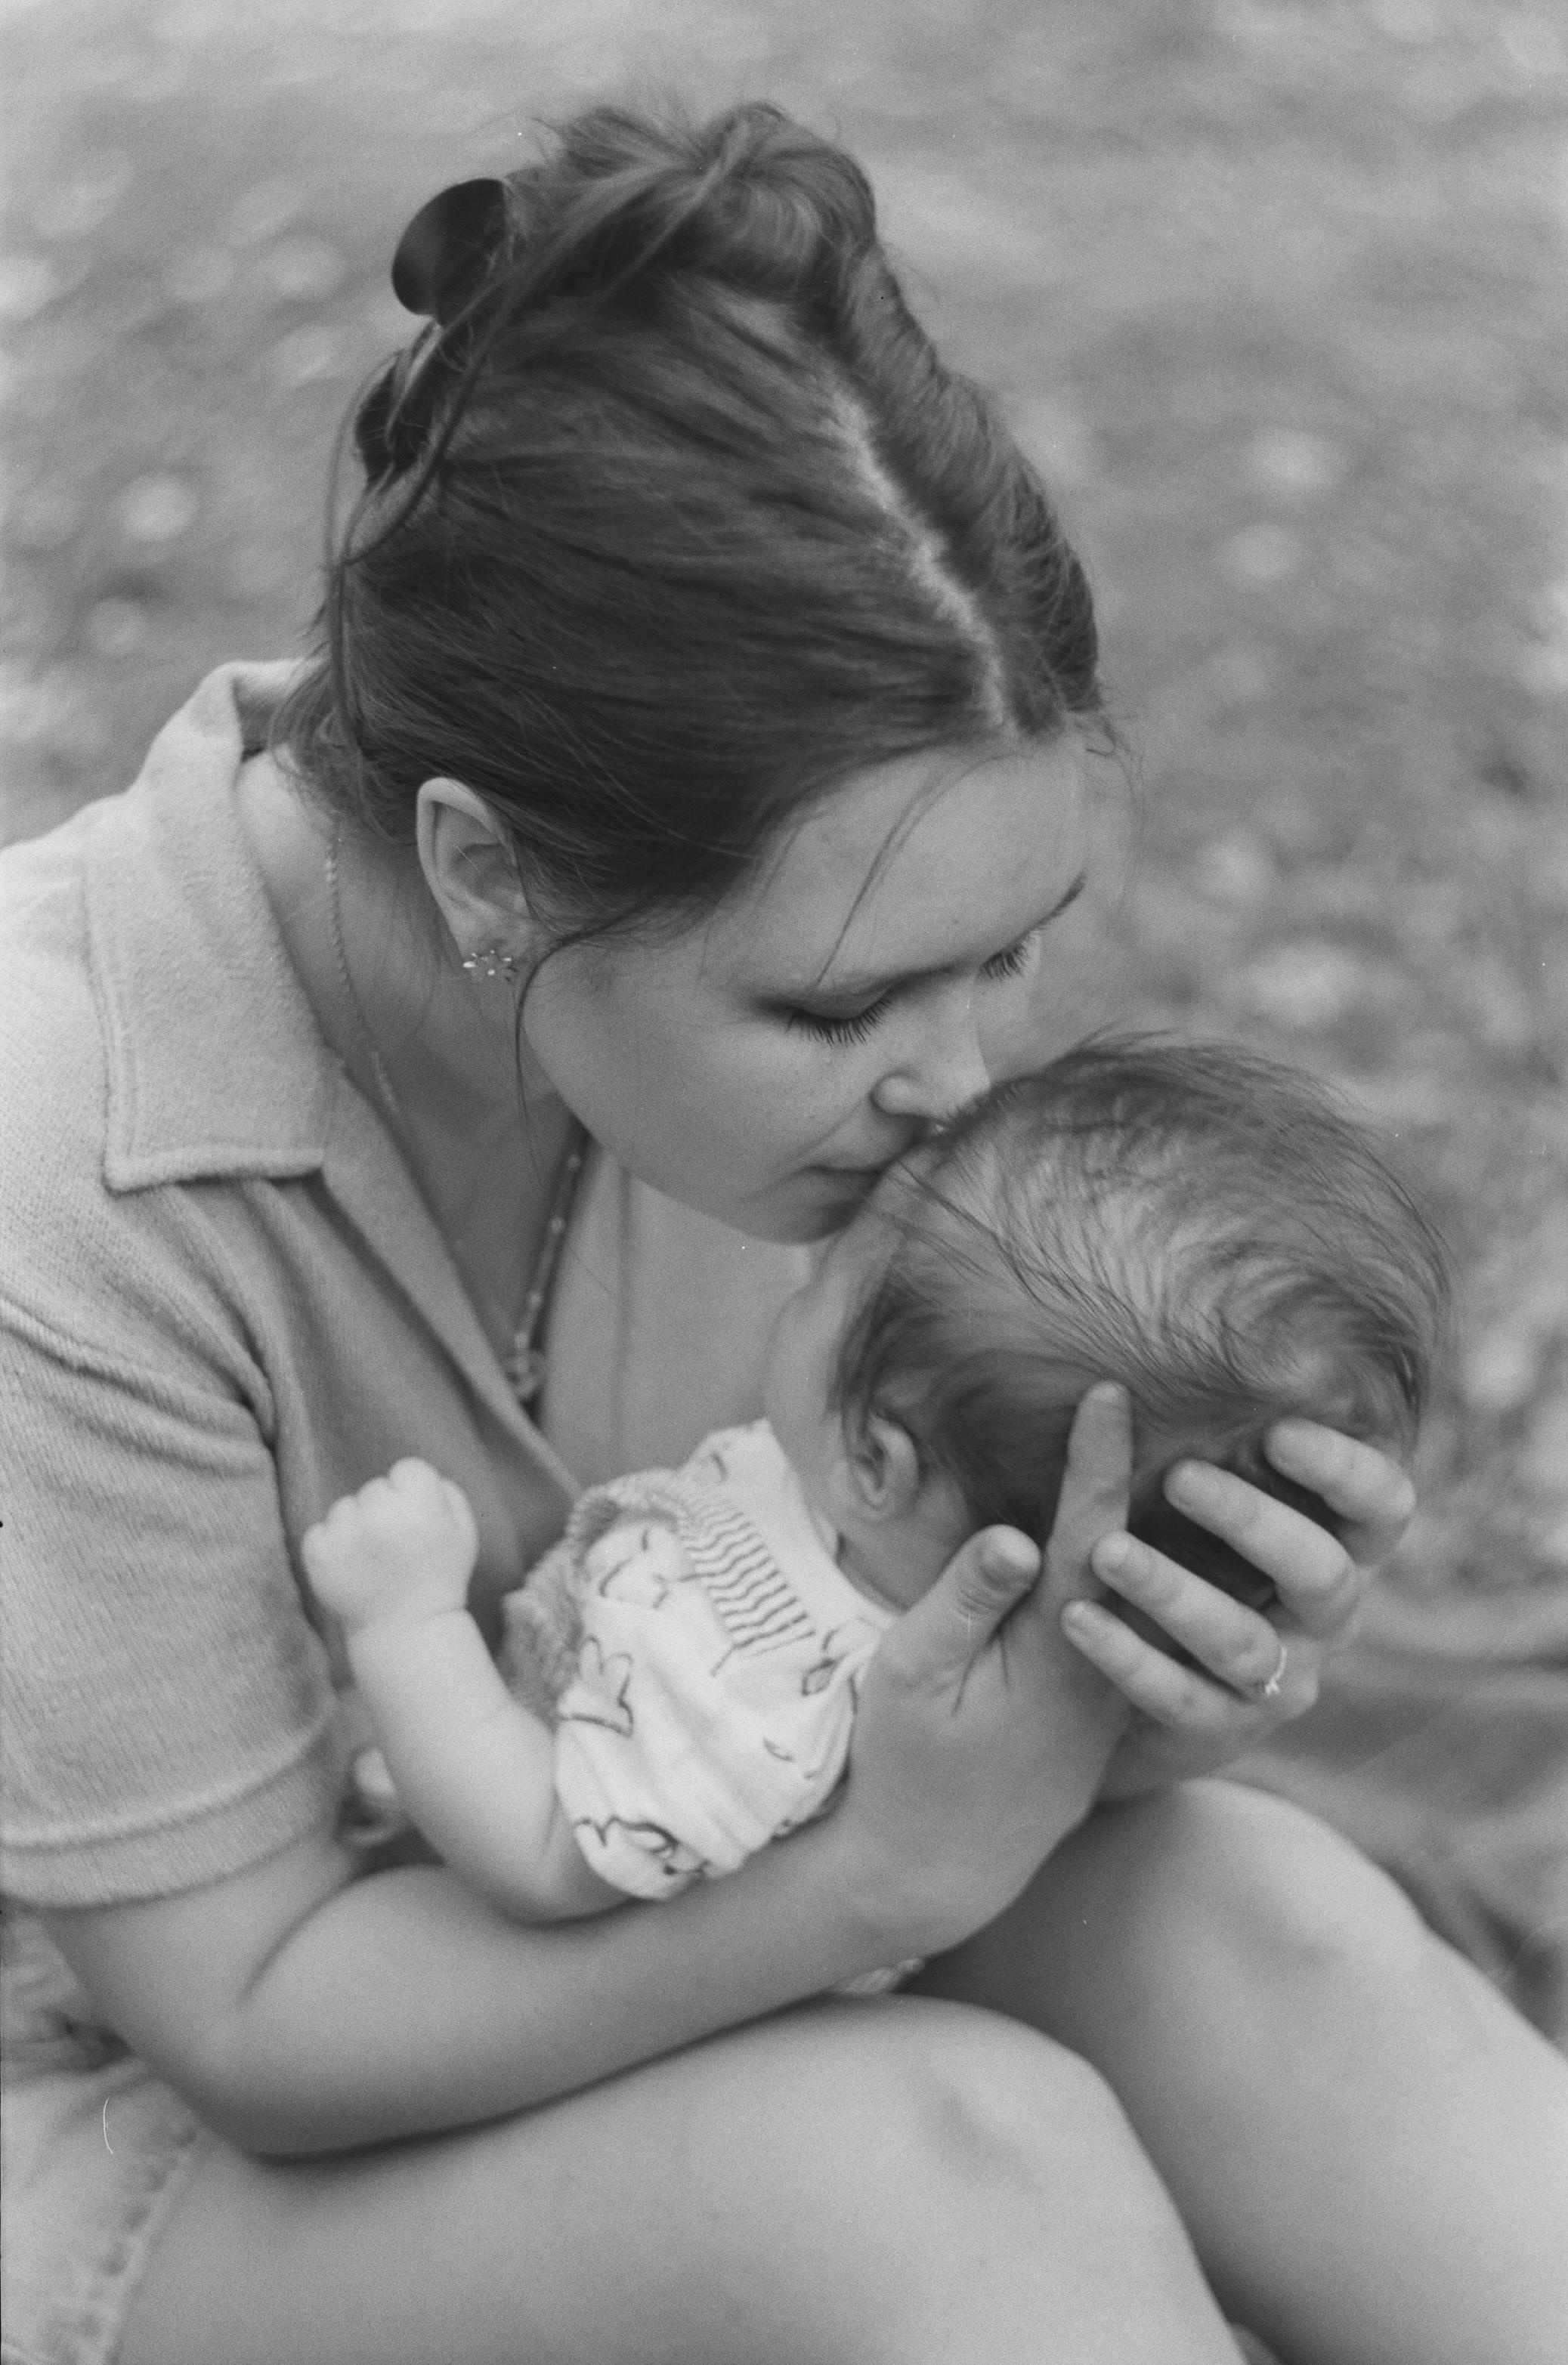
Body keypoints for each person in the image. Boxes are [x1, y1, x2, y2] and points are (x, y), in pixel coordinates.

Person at [2, 98, 1563, 2365]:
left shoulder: (774, 1042)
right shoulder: (65, 1165)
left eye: (1010, 948)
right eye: (843, 1003)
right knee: (944, 2173)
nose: (958, 1081)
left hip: (642, 1872)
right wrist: (880, 1881)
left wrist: (1127, 1681)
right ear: (481, 875)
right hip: (132, 2093)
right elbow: (245, 2011)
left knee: (1268, 1926)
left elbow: (846, 1633)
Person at [303, 1038, 1451, 1932]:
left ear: (874, 1455)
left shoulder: (758, 1679)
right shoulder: (932, 1599)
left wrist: (404, 1629)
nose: (796, 1277)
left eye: (829, 1282)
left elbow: (546, 1851)